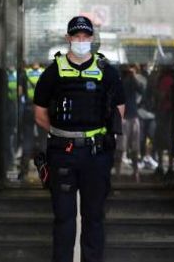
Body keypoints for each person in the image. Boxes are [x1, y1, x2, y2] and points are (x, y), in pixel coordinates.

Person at [32, 16, 124, 262]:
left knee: (94, 216)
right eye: (76, 36)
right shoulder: (53, 72)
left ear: (92, 39)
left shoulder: (107, 72)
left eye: (85, 36)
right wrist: (65, 133)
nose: (81, 41)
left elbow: (119, 110)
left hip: (96, 153)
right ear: (68, 38)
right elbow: (40, 114)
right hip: (63, 152)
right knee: (63, 217)